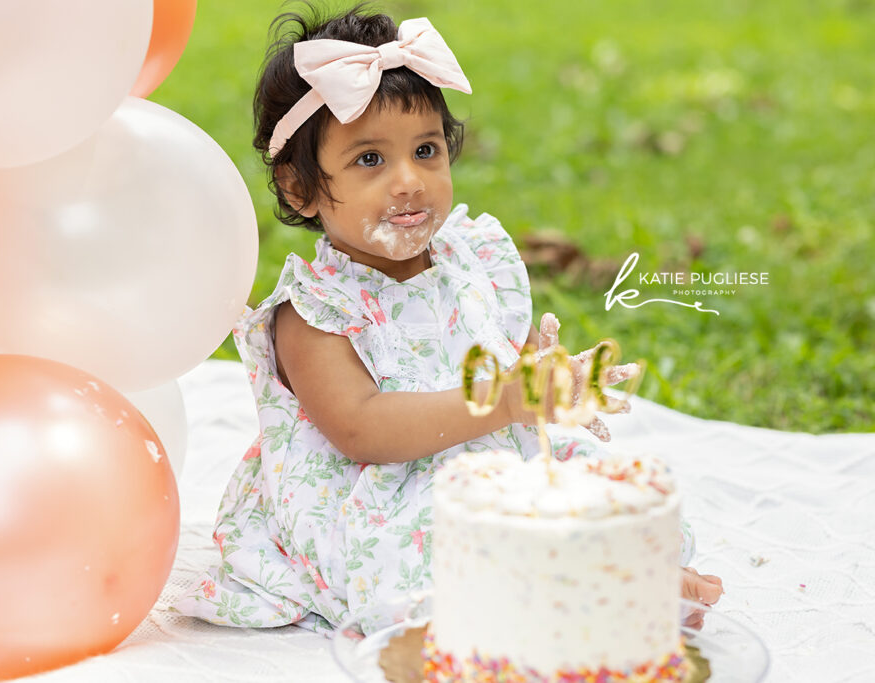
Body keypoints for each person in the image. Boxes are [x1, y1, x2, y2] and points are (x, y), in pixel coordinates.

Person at [175, 3, 721, 633]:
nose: (409, 180)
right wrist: (502, 402)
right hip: (383, 491)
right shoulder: (316, 311)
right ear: (299, 188)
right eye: (370, 160)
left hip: (485, 453)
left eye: (426, 150)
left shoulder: (471, 258)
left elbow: (502, 362)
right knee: (439, 554)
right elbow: (362, 428)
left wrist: (544, 383)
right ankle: (586, 587)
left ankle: (597, 568)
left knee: (611, 493)